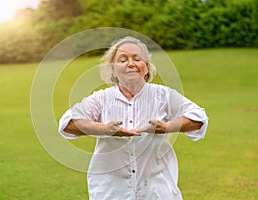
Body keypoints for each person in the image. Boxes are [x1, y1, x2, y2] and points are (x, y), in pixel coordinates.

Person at [58, 36, 208, 200]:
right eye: (122, 60)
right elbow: (68, 124)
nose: (130, 63)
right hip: (112, 192)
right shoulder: (101, 99)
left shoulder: (163, 95)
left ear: (147, 68)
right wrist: (105, 130)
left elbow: (198, 119)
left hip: (157, 191)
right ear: (113, 70)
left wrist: (166, 127)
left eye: (137, 58)